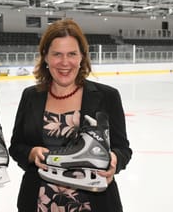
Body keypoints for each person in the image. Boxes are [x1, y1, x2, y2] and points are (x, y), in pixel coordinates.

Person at [9, 19, 132, 212]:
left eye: (72, 54)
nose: (64, 62)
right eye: (57, 54)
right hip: (39, 202)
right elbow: (16, 146)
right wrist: (31, 154)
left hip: (94, 203)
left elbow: (123, 149)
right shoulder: (31, 96)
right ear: (46, 57)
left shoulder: (107, 96)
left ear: (82, 57)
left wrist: (115, 159)